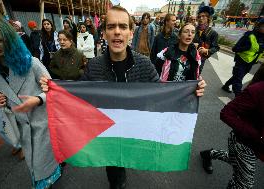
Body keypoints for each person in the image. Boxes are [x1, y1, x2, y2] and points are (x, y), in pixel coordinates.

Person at [40, 5, 206, 189]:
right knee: (115, 170)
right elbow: (79, 98)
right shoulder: (94, 66)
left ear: (130, 33)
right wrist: (53, 91)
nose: (117, 32)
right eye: (111, 27)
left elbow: (161, 95)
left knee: (128, 157)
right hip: (107, 131)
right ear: (103, 33)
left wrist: (190, 91)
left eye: (122, 26)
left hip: (134, 131)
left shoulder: (144, 64)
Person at [0, 16, 61, 189]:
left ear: (8, 40)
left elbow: (54, 90)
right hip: (17, 129)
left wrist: (38, 99)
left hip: (42, 127)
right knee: (37, 170)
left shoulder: (32, 63)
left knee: (43, 171)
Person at [200, 63, 264, 189]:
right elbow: (226, 113)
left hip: (257, 146)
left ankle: (209, 154)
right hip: (245, 144)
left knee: (234, 160)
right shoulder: (257, 90)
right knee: (244, 185)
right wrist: (257, 135)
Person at [221, 18, 264, 96]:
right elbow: (235, 48)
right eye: (263, 26)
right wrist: (245, 47)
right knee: (238, 80)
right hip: (241, 61)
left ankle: (226, 86)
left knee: (237, 77)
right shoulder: (249, 35)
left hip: (251, 63)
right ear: (259, 26)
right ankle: (238, 97)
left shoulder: (262, 38)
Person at [193, 6, 219, 74]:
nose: (201, 18)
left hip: (201, 59)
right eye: (199, 16)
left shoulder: (213, 33)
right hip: (189, 56)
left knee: (196, 75)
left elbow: (216, 47)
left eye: (203, 16)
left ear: (208, 18)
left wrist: (207, 50)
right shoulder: (193, 29)